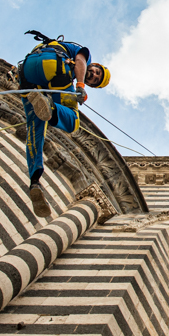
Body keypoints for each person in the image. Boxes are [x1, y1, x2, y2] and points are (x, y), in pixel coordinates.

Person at [16, 31, 110, 217]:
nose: (93, 74)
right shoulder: (83, 56)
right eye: (96, 71)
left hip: (27, 75)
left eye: (95, 79)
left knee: (35, 129)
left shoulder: (57, 49)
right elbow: (81, 61)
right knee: (73, 121)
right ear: (95, 65)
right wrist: (80, 86)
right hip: (54, 67)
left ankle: (34, 180)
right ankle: (51, 108)